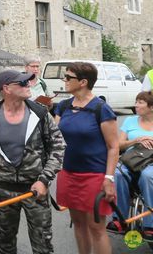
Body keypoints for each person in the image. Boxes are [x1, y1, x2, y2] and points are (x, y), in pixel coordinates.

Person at [0, 70, 65, 254]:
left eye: (28, 82)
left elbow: (59, 146)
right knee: (6, 244)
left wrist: (44, 180)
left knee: (43, 246)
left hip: (35, 191)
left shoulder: (40, 113)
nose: (28, 85)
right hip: (3, 191)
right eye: (22, 83)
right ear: (6, 88)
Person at [53, 62, 119, 254]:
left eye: (68, 77)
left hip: (94, 176)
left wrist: (109, 178)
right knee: (79, 225)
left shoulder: (101, 109)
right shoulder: (63, 106)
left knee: (96, 228)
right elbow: (54, 137)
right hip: (68, 173)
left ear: (83, 82)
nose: (64, 81)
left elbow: (113, 147)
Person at [109, 91, 153, 238]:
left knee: (147, 175)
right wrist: (136, 140)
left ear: (151, 107)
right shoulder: (129, 121)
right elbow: (119, 145)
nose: (136, 105)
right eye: (136, 101)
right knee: (118, 173)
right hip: (132, 159)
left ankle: (150, 225)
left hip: (150, 161)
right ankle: (119, 219)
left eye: (140, 102)